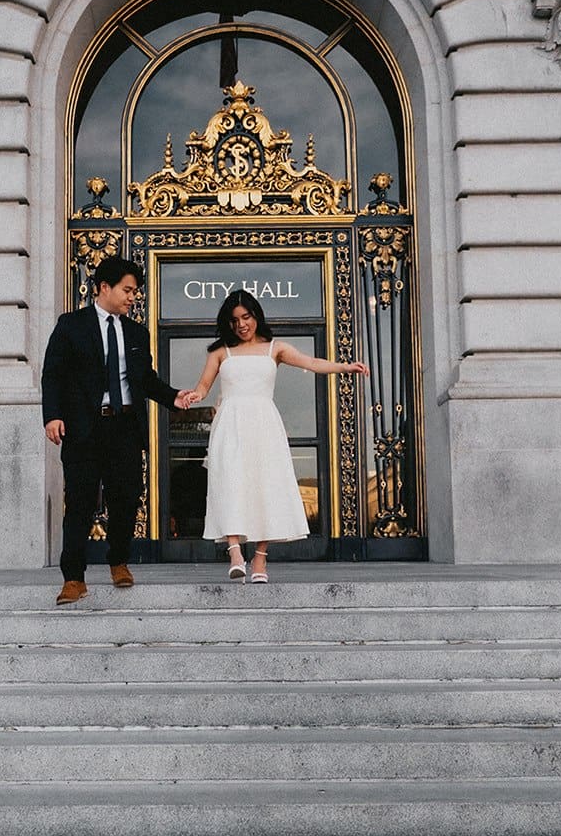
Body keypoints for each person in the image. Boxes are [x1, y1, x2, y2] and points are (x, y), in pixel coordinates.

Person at [183, 290, 368, 583]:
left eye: (246, 317)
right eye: (234, 320)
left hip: (264, 424)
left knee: (265, 486)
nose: (241, 325)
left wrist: (344, 367)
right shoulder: (220, 351)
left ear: (256, 316)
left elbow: (311, 363)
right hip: (230, 424)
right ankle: (234, 552)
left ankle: (260, 558)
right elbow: (204, 386)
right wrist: (194, 395)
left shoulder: (275, 348)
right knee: (230, 483)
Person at [42, 256, 193, 605]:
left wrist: (173, 397)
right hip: (84, 428)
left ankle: (118, 561)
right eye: (127, 290)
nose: (132, 297)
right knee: (79, 503)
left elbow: (146, 380)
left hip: (125, 427)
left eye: (135, 292)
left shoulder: (137, 332)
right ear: (104, 287)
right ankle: (74, 579)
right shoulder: (71, 325)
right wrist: (52, 416)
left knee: (126, 499)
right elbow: (53, 374)